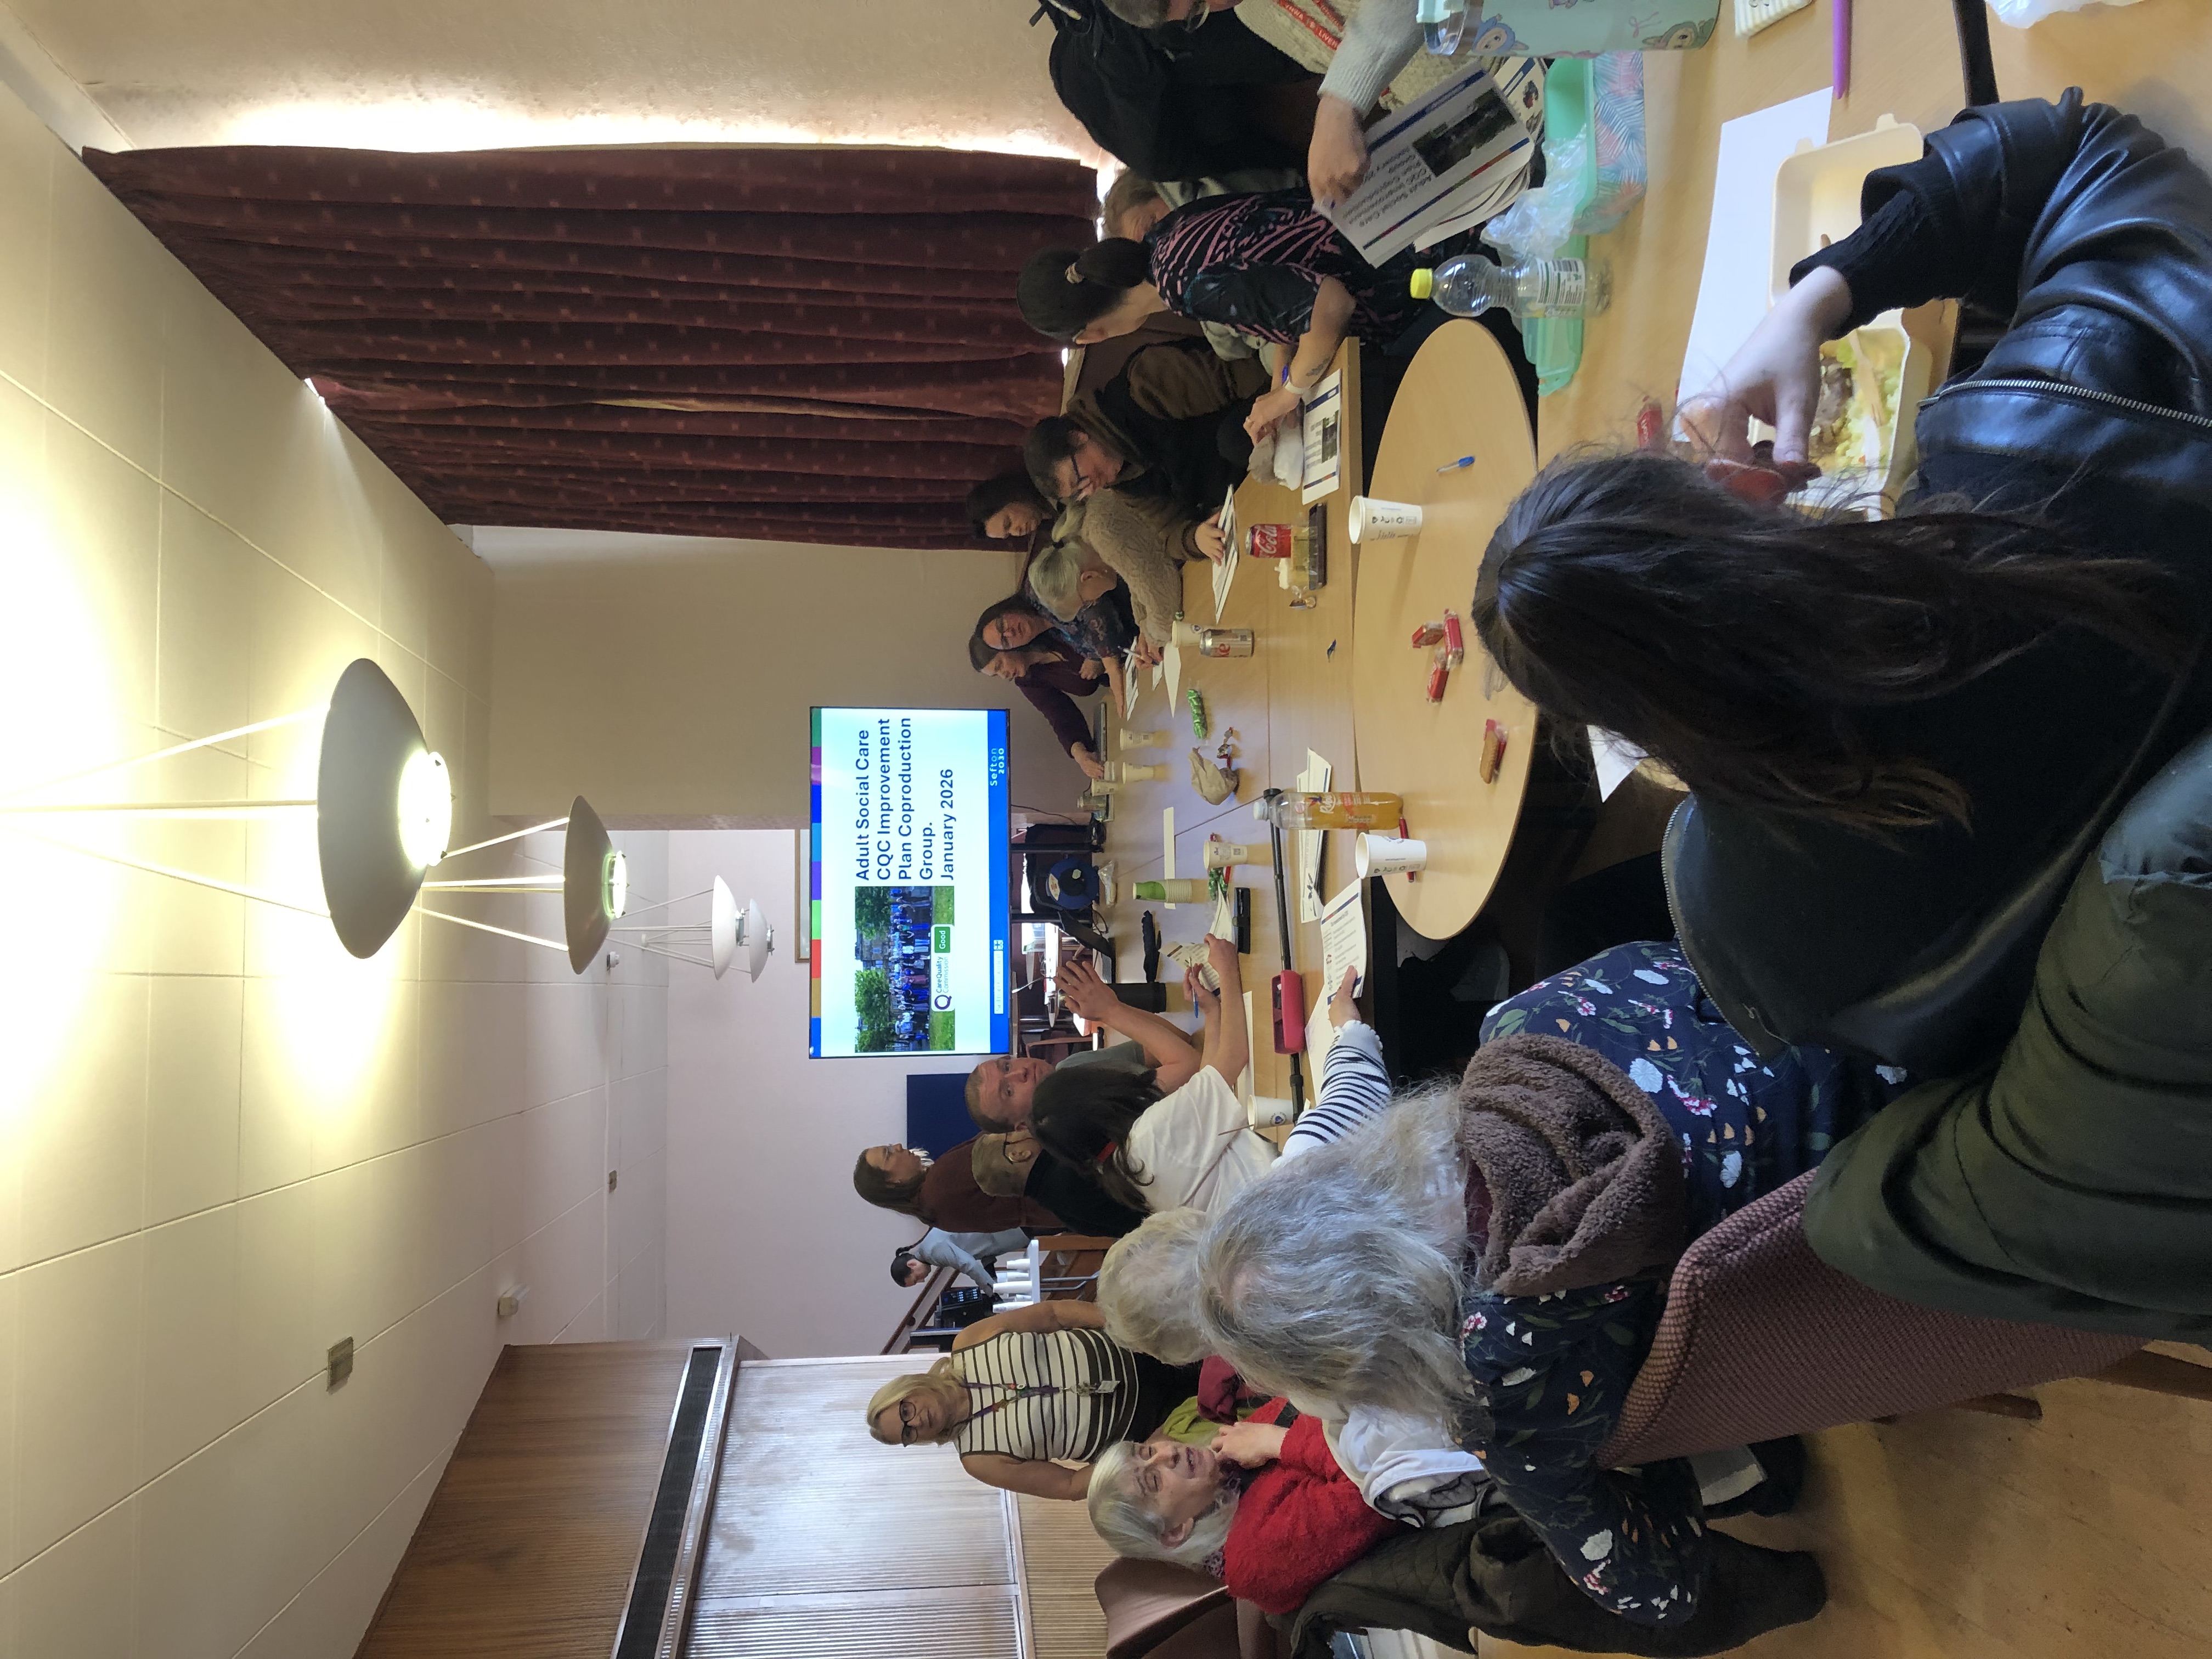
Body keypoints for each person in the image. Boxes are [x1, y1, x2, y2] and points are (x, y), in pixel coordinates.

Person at [1471, 91, 2212, 1085]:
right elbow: (2088, 152)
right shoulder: (2037, 447)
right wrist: (1818, 295)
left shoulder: (1738, 925)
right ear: (1729, 487)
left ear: (1633, 722)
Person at [1192, 1005, 1889, 1627]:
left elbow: (1659, 1594)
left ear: (1352, 1364)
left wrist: (1648, 1457)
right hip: (1888, 1034)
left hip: (1876, 1256)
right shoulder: (1521, 1034)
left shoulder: (1502, 1399)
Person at [1018, 190, 1435, 447]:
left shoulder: (1187, 286)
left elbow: (1331, 305)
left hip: (1413, 276)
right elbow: (1283, 286)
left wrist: (1290, 393)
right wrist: (1280, 380)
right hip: (1395, 220)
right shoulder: (1164, 240)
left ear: (1091, 336)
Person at [1101, 0, 1543, 210]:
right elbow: (1384, 79)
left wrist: (1339, 105)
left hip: (1543, 46)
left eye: (1198, 2)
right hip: (1496, 118)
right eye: (1197, 14)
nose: (1214, 6)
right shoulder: (1251, 13)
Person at [1030, 935, 1274, 1215]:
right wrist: (1229, 970)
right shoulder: (1152, 1137)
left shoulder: (1126, 1166)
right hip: (1287, 1189)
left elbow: (1204, 1080)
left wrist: (1212, 1012)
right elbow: (1233, 1057)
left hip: (1272, 1207)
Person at [865, 1298, 1201, 1499]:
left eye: (906, 1411)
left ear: (910, 1388)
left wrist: (1123, 1325)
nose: (918, 1422)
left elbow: (1052, 1314)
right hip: (1150, 1428)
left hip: (1143, 1349)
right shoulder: (979, 1460)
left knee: (1233, 1350)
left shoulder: (969, 1342)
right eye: (908, 1433)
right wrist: (1142, 1455)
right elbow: (1069, 1485)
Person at [966, 955, 1205, 1132]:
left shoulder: (1069, 1069)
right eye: (1009, 1091)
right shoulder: (1079, 1116)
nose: (1022, 1072)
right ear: (1022, 1127)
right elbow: (1190, 1065)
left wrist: (1113, 1007)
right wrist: (1111, 1012)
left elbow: (1178, 1042)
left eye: (1007, 1067)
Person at [969, 606, 1110, 780]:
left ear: (1005, 647)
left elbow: (1095, 617)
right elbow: (1060, 716)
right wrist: (1081, 755)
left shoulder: (1044, 627)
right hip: (1127, 680)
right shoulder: (1028, 681)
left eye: (999, 666)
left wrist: (1100, 655)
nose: (1004, 676)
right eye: (996, 675)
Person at [853, 1138, 1062, 1233]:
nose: (897, 1146)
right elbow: (1000, 1142)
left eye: (889, 1146)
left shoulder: (931, 1211)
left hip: (1056, 1205)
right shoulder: (940, 1184)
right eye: (888, 1154)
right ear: (891, 1183)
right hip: (1057, 1177)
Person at [893, 1226, 1032, 1293]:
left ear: (912, 1264)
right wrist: (991, 1274)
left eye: (916, 1278)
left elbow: (969, 1265)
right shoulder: (928, 1250)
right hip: (1001, 1231)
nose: (922, 1280)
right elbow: (974, 1245)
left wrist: (992, 1293)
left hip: (1006, 1231)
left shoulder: (933, 1251)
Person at [966, 471, 1054, 543]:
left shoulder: (1053, 482)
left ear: (1010, 496)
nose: (1017, 532)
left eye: (1008, 523)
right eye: (1009, 534)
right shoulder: (1051, 531)